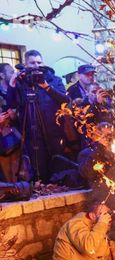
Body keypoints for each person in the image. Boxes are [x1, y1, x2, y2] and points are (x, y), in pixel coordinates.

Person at [5, 49, 69, 182]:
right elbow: (11, 105)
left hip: (54, 130)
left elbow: (65, 100)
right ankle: (42, 186)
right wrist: (12, 85)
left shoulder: (54, 79)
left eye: (39, 62)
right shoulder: (22, 82)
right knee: (38, 167)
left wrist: (46, 87)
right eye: (32, 63)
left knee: (58, 163)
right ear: (26, 65)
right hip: (32, 132)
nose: (36, 66)